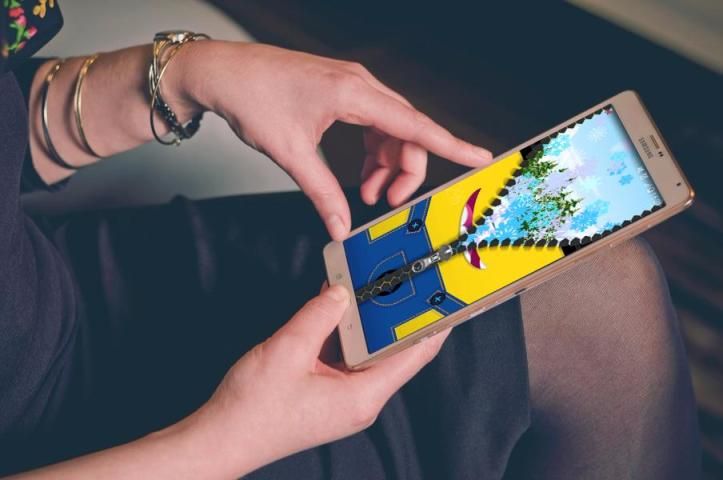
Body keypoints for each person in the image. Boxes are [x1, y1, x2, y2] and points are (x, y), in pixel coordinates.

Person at [0, 3, 700, 479]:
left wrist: (185, 76)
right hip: (90, 447)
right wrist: (224, 444)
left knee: (602, 290)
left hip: (55, 281)